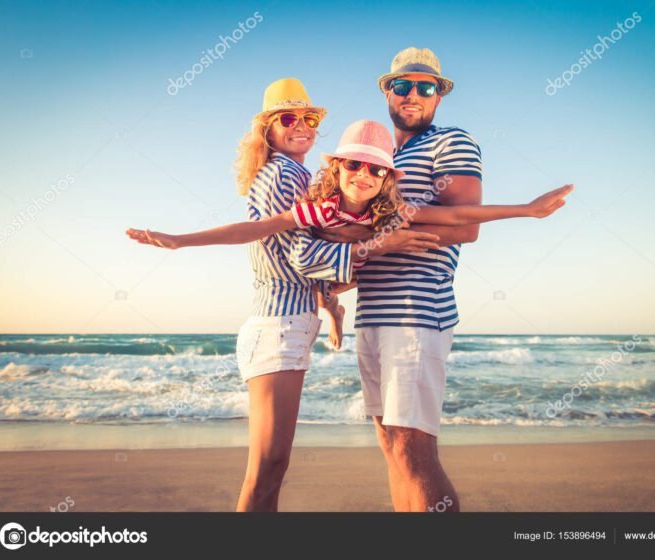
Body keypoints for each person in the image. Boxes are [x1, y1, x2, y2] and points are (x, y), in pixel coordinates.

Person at [125, 78, 439, 511]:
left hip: (286, 325)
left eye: (309, 119)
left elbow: (302, 261)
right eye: (288, 118)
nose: (302, 127)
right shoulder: (286, 172)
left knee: (273, 468)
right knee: (267, 468)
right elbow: (301, 255)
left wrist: (333, 311)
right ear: (267, 129)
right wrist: (377, 242)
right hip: (277, 327)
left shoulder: (286, 172)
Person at [316, 47, 575, 512]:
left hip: (417, 312)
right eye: (402, 85)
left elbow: (464, 227)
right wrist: (345, 272)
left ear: (439, 95)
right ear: (387, 91)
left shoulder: (451, 141)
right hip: (373, 312)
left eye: (425, 86)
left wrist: (526, 210)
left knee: (414, 453)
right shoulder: (380, 157)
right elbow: (371, 238)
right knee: (391, 449)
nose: (413, 94)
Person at [129, 119, 571, 350]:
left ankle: (334, 309)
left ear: (386, 177)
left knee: (369, 262)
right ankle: (332, 308)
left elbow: (458, 218)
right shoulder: (319, 207)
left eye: (376, 168)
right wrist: (180, 240)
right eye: (354, 164)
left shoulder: (391, 211)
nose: (364, 174)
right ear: (337, 167)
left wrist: (528, 210)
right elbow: (254, 228)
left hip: (352, 262)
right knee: (327, 278)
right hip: (322, 262)